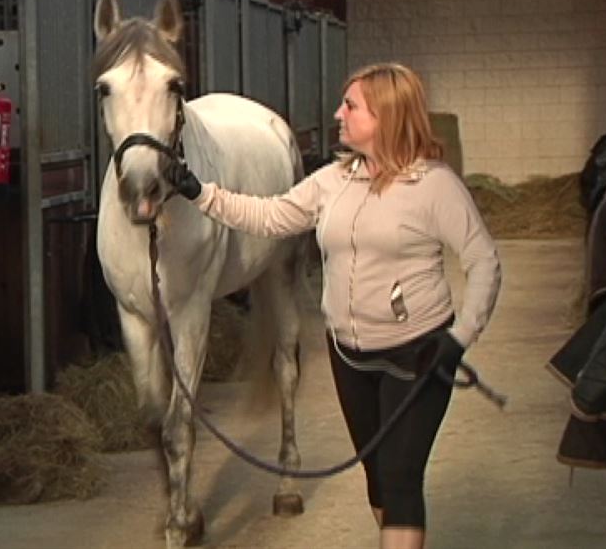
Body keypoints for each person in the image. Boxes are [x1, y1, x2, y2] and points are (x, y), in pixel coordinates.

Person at [166, 62, 502, 549]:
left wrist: (459, 338)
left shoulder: (435, 186)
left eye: (351, 106)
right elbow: (271, 215)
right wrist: (201, 194)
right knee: (379, 480)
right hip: (350, 354)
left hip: (420, 354)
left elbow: (484, 261)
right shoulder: (332, 181)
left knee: (402, 478)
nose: (337, 113)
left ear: (384, 116)